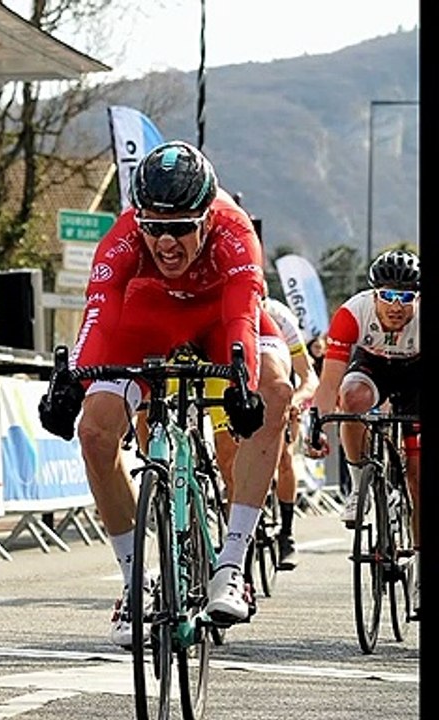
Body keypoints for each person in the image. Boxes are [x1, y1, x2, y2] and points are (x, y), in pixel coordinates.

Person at [38, 140, 293, 648]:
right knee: (94, 431)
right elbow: (100, 311)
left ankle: (232, 566)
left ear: (207, 217)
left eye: (180, 228)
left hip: (220, 319)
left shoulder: (235, 232)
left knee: (275, 390)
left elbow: (242, 316)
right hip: (149, 318)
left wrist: (242, 382)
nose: (166, 243)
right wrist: (73, 382)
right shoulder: (123, 236)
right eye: (154, 228)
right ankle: (134, 582)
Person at [309, 249, 420, 615]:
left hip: (416, 375)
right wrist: (316, 425)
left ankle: (420, 570)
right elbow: (329, 384)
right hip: (373, 365)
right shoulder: (352, 313)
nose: (396, 305)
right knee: (351, 398)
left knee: (418, 475)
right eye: (388, 295)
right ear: (374, 295)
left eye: (406, 296)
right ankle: (360, 486)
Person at [214, 291, 319, 571]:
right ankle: (238, 535)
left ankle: (287, 533)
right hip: (240, 381)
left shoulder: (280, 317)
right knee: (229, 459)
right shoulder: (223, 311)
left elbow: (309, 377)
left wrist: (296, 401)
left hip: (278, 380)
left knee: (284, 457)